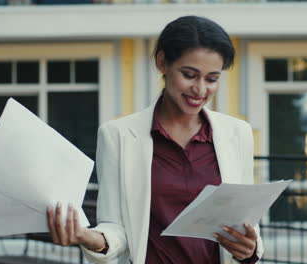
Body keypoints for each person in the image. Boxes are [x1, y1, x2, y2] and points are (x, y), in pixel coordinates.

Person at [46, 16, 264, 264]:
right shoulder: (118, 136)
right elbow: (115, 229)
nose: (200, 90)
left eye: (212, 79)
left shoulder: (238, 134)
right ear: (162, 62)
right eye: (189, 75)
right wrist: (86, 237)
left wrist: (250, 247)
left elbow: (245, 224)